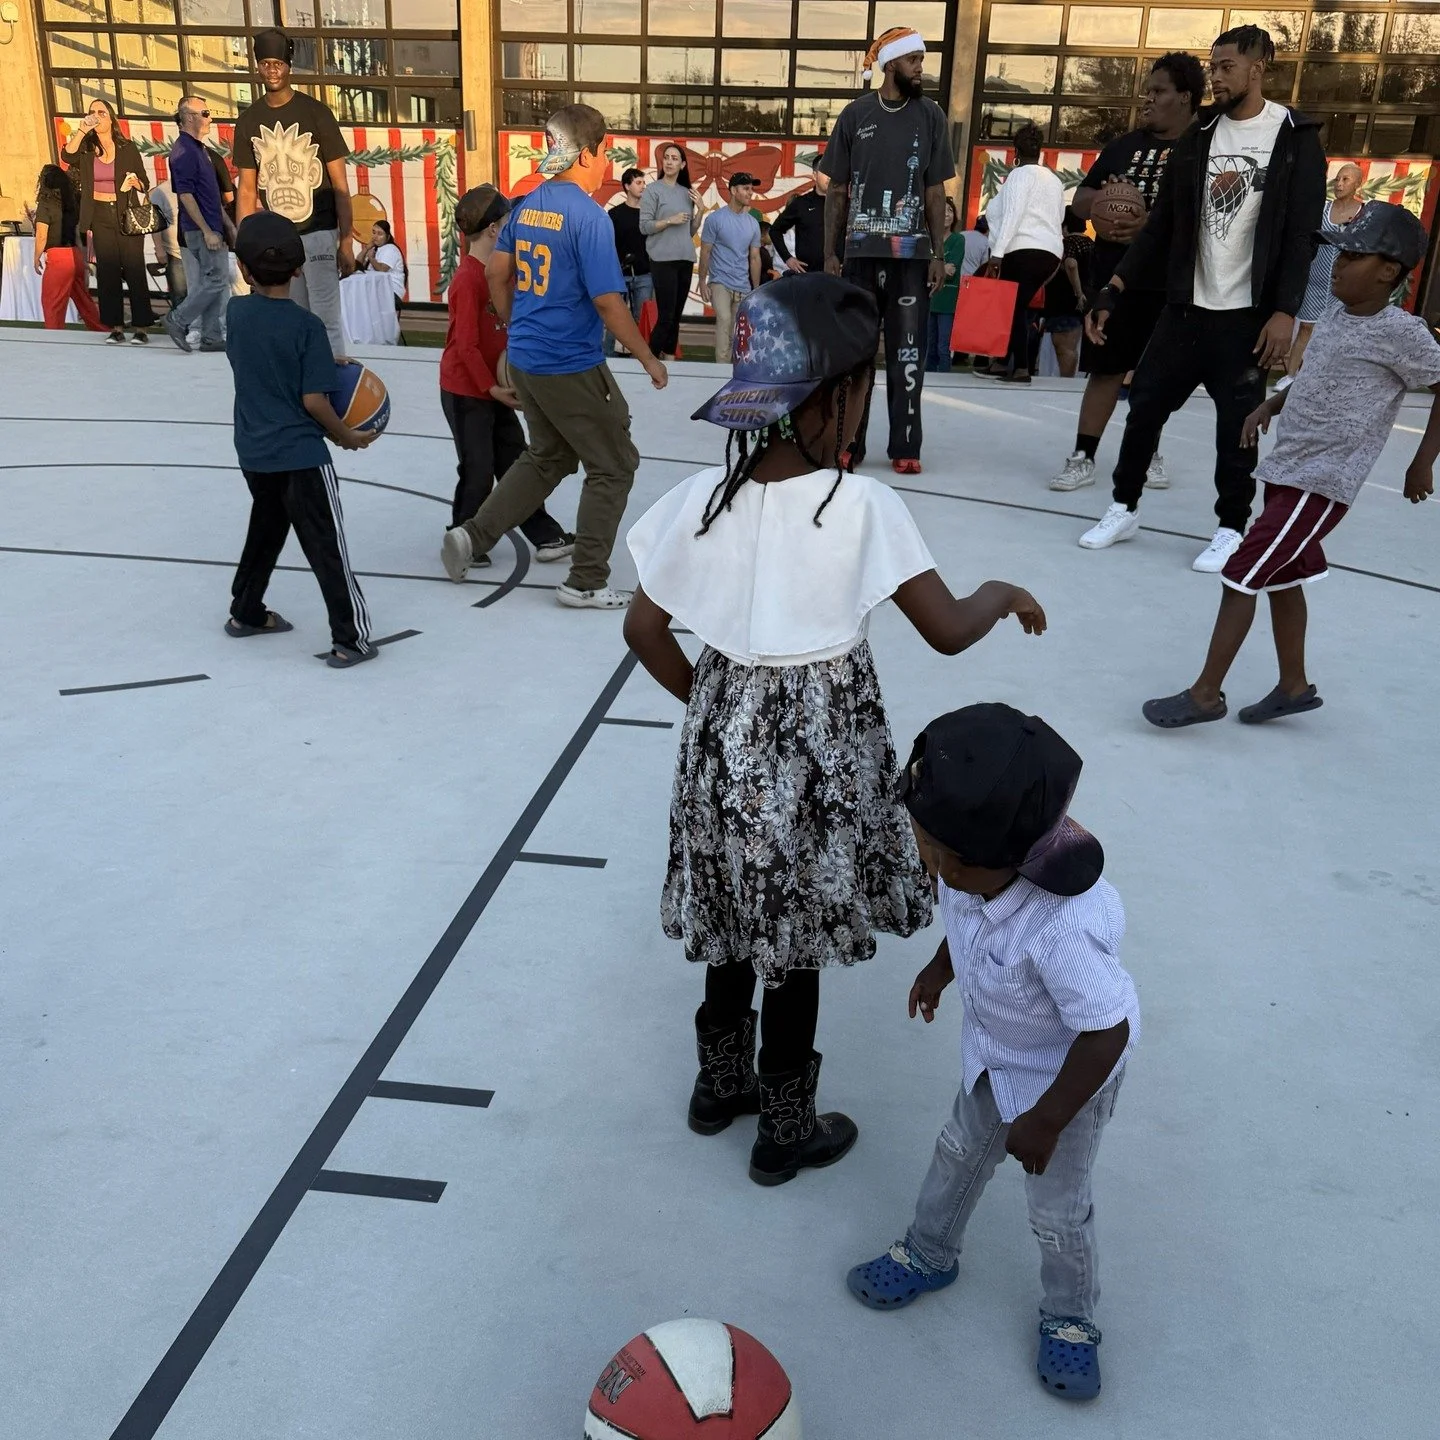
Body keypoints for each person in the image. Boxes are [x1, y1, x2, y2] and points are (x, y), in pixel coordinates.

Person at [621, 275, 1047, 1187]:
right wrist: (1001, 593)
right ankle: (785, 1130)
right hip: (815, 767)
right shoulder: (862, 508)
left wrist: (714, 712)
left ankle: (718, 1087)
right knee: (795, 942)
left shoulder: (701, 499)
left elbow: (643, 631)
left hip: (717, 756)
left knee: (733, 920)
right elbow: (947, 630)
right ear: (835, 398)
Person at [846, 703, 1138, 1402]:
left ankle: (1070, 1319)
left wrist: (1049, 1118)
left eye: (928, 851)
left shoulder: (1062, 929)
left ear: (969, 858)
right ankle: (929, 1252)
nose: (925, 862)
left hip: (1064, 1082)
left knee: (1057, 1213)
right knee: (958, 1152)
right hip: (992, 1055)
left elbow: (1108, 1031)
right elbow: (966, 924)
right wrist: (939, 969)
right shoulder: (970, 875)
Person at [1141, 205, 1440, 729]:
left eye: (1353, 256)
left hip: (1321, 482)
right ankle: (1294, 687)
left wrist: (1422, 462)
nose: (1338, 265)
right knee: (1281, 578)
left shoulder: (1403, 332)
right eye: (1339, 254)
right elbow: (1313, 377)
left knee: (1240, 575)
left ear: (1389, 271)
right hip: (1287, 471)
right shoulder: (1336, 315)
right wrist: (1270, 406)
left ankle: (1206, 694)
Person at [1080, 26, 1326, 571]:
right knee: (1144, 408)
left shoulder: (1295, 136)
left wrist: (1285, 310)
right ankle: (1123, 507)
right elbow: (1162, 224)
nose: (1215, 77)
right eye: (1212, 67)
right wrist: (1114, 286)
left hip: (1247, 316)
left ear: (1258, 68)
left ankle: (1231, 527)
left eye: (1226, 67)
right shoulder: (1201, 135)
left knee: (1236, 428)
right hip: (1187, 307)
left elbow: (1302, 233)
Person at [439, 104, 668, 609]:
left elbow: (496, 274)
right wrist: (648, 358)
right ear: (586, 154)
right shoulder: (589, 218)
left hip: (527, 359)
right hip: (570, 362)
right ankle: (585, 580)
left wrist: (516, 324)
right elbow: (608, 302)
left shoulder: (526, 206)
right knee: (614, 465)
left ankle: (472, 535)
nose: (606, 162)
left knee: (548, 456)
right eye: (605, 152)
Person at [224, 211, 376, 668]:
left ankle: (246, 611)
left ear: (243, 269)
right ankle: (351, 638)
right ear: (298, 269)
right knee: (327, 546)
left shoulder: (236, 313)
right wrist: (346, 435)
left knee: (266, 531)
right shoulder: (307, 327)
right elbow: (314, 401)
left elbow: (267, 356)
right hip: (302, 458)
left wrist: (321, 362)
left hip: (254, 451)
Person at [1050, 52, 1204, 494]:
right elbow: (1081, 200)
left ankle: (1147, 451)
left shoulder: (1202, 148)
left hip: (1171, 282)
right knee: (1106, 370)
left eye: (1159, 91)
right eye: (1147, 90)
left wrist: (1149, 223)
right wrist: (1103, 201)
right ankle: (1083, 456)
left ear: (1185, 97)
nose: (1148, 99)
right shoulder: (1123, 146)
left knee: (1156, 375)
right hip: (1115, 278)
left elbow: (1204, 214)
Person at [821, 26, 955, 474]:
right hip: (859, 256)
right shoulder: (855, 114)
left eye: (921, 60)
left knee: (908, 355)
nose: (920, 68)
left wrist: (938, 254)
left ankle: (905, 446)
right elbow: (837, 189)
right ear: (891, 63)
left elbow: (934, 190)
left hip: (911, 259)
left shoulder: (931, 116)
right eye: (914, 60)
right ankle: (848, 443)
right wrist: (830, 253)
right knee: (855, 356)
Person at [440, 185, 573, 567]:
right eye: (509, 222)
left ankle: (545, 535)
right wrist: (491, 388)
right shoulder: (468, 280)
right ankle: (464, 537)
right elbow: (465, 346)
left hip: (495, 388)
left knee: (517, 465)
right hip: (466, 391)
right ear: (495, 229)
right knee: (478, 468)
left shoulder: (503, 272)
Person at [233, 27, 355, 361]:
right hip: (278, 237)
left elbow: (340, 184)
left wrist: (346, 240)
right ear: (257, 66)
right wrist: (245, 248)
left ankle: (332, 378)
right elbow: (246, 190)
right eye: (265, 63)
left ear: (289, 65)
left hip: (319, 231)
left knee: (325, 315)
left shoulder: (316, 113)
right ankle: (302, 377)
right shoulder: (249, 120)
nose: (272, 70)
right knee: (291, 314)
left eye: (278, 63)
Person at [61, 98, 156, 345]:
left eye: (101, 112)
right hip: (99, 215)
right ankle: (115, 327)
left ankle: (141, 327)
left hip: (126, 214)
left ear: (111, 118)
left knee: (134, 269)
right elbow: (67, 155)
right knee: (107, 272)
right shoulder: (86, 148)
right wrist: (82, 130)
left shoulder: (127, 148)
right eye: (92, 112)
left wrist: (136, 183)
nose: (96, 116)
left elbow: (145, 181)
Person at [981, 123, 1063, 385]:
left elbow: (1012, 215)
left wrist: (997, 253)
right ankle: (1002, 362)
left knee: (1013, 307)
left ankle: (1021, 368)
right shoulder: (1054, 180)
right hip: (1050, 252)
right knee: (1018, 306)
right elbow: (1059, 216)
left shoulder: (1018, 175)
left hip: (1021, 247)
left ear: (1015, 151)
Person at [163, 96, 232, 355]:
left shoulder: (197, 149)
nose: (210, 118)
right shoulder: (184, 151)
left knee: (213, 280)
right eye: (205, 113)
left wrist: (227, 226)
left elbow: (211, 195)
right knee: (216, 279)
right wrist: (207, 230)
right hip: (201, 229)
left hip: (210, 226)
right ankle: (178, 319)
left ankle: (211, 336)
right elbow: (186, 195)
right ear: (189, 117)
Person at [1287, 163, 1366, 376]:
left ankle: (1323, 375)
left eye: (1345, 179)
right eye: (1337, 179)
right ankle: (1291, 375)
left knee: (1336, 333)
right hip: (1315, 279)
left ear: (1358, 184)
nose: (1339, 184)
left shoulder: (1363, 213)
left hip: (1343, 285)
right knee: (1305, 328)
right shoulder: (1322, 209)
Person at [640, 142, 702, 360]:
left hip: (685, 257)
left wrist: (700, 210)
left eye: (674, 158)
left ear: (682, 165)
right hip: (662, 259)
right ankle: (648, 360)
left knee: (676, 316)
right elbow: (644, 226)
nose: (669, 162)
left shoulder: (687, 193)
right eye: (666, 157)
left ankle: (669, 361)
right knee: (666, 316)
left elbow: (690, 231)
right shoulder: (652, 190)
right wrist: (669, 220)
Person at [31, 165, 105, 332]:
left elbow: (42, 235)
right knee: (84, 301)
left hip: (58, 258)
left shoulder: (45, 204)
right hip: (74, 253)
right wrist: (83, 259)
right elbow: (77, 232)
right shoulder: (71, 203)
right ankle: (101, 329)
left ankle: (55, 336)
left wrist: (36, 257)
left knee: (52, 302)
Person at [698, 173, 762, 363]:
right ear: (733, 190)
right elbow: (705, 251)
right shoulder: (715, 219)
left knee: (737, 328)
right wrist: (702, 281)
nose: (750, 193)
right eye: (746, 188)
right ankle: (721, 369)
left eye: (751, 189)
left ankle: (733, 370)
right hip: (720, 282)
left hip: (743, 284)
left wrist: (756, 289)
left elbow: (755, 258)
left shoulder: (753, 223)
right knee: (724, 320)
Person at [604, 167, 653, 358]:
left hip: (644, 274)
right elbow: (607, 244)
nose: (643, 186)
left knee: (642, 318)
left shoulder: (649, 214)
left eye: (644, 183)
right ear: (627, 186)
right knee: (614, 317)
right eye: (638, 182)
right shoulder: (614, 214)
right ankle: (608, 355)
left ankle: (640, 357)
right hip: (619, 274)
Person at [1041, 209, 1091, 378]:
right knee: (1071, 346)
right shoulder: (1090, 244)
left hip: (1065, 301)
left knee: (1064, 347)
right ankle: (1068, 379)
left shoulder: (1068, 243)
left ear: (1065, 225)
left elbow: (1071, 264)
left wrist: (1078, 292)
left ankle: (1065, 381)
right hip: (1082, 303)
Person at [925, 197, 965, 372]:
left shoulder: (958, 239)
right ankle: (929, 380)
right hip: (929, 297)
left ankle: (944, 379)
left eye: (950, 210)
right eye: (943, 210)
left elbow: (951, 270)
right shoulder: (928, 240)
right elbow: (924, 268)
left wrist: (933, 268)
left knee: (943, 347)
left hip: (948, 298)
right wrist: (939, 268)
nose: (947, 214)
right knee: (929, 346)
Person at [770, 163, 828, 275]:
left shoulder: (844, 203)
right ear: (815, 175)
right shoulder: (801, 203)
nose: (829, 176)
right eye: (825, 172)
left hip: (836, 276)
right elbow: (775, 230)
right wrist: (787, 258)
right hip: (807, 275)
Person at [356, 219, 406, 302]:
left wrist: (372, 259)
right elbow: (358, 264)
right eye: (374, 232)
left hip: (391, 291)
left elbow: (382, 269)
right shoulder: (374, 250)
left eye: (380, 234)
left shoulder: (391, 249)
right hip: (377, 290)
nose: (375, 237)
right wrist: (367, 248)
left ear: (387, 237)